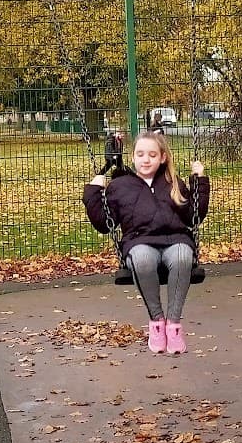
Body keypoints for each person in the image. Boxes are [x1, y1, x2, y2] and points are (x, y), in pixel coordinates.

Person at [83, 132, 210, 355]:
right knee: (142, 259)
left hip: (176, 239)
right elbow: (104, 224)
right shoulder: (120, 186)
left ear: (162, 157)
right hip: (139, 242)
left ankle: (173, 325)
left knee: (182, 256)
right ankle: (157, 323)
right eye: (140, 154)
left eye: (152, 154)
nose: (146, 159)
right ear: (133, 157)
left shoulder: (173, 182)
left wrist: (199, 180)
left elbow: (194, 216)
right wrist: (94, 191)